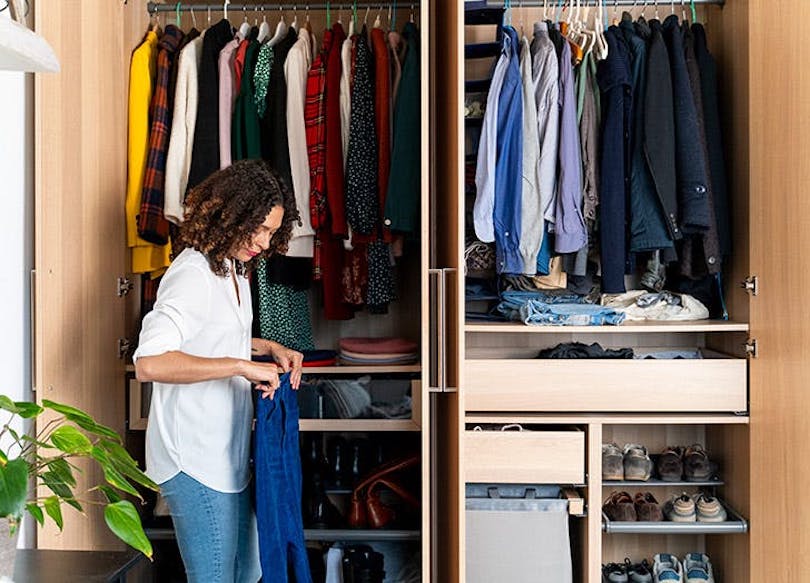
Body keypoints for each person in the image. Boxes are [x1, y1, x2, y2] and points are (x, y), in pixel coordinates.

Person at [134, 159, 304, 582]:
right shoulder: (191, 273)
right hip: (192, 456)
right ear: (232, 214)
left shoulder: (231, 269)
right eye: (259, 229)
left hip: (225, 451)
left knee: (248, 572)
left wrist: (266, 348)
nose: (265, 243)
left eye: (271, 232)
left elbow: (210, 333)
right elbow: (149, 362)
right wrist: (241, 366)